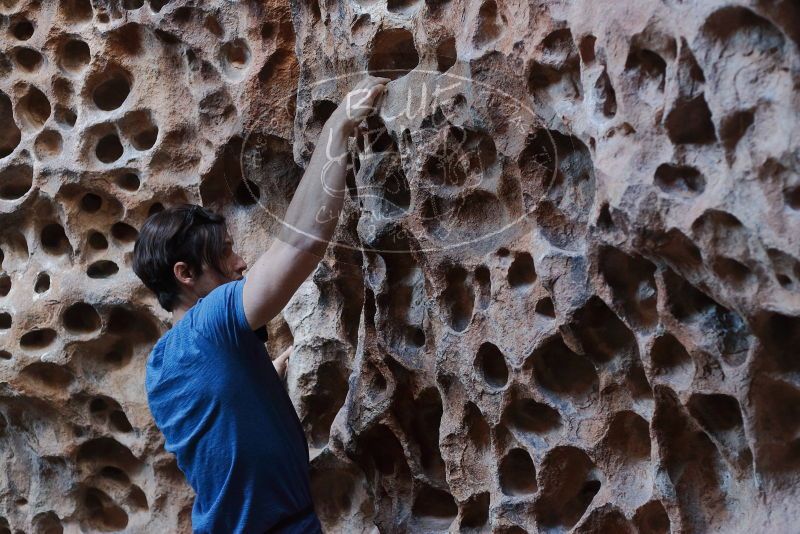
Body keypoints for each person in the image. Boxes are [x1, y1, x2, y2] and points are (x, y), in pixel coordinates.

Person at [132, 75, 390, 533]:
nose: (240, 261)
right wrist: (338, 127)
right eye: (225, 252)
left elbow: (219, 421)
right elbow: (299, 246)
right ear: (185, 275)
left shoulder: (161, 364)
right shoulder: (210, 326)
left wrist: (264, 375)